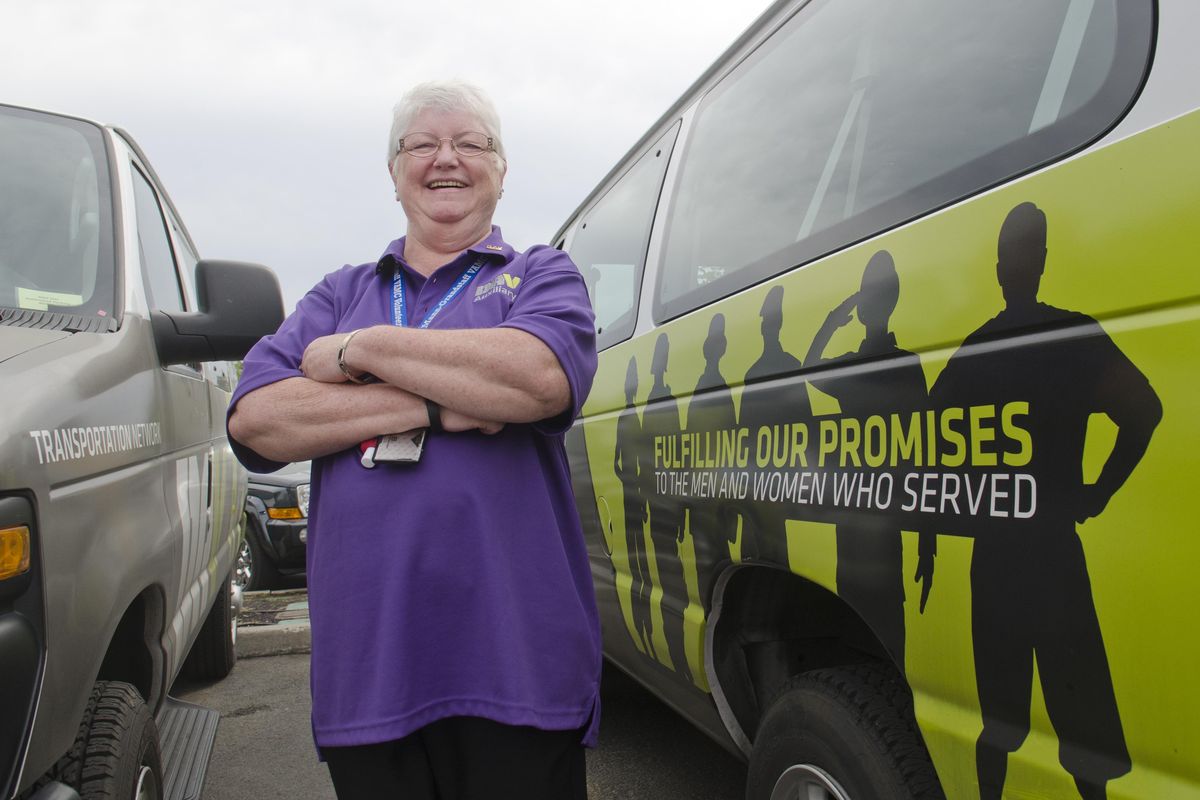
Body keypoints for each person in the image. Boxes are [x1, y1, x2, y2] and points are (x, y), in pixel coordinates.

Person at [226, 80, 600, 800]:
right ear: (395, 172)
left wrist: (358, 351)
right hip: (371, 676)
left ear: (501, 167)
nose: (445, 159)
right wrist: (438, 405)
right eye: (421, 144)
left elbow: (535, 381)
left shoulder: (538, 274)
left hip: (517, 667)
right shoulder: (340, 290)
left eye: (470, 142)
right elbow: (257, 421)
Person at [927, 202, 1159, 800]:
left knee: (998, 727)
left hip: (1000, 561)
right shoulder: (1074, 339)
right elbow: (1145, 411)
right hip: (1055, 555)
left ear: (1002, 269)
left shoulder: (976, 352)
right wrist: (1097, 493)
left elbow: (921, 450)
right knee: (1080, 734)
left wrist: (938, 527)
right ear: (1041, 263)